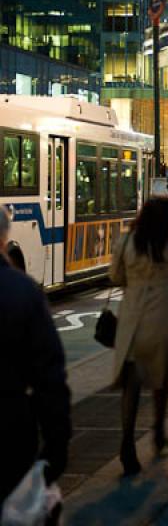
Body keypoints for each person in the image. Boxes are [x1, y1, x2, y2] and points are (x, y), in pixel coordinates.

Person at [110, 197, 168, 475]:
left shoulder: (128, 239)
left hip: (132, 313)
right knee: (161, 377)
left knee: (131, 383)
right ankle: (158, 430)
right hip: (162, 313)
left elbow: (115, 276)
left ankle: (126, 441)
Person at [0, 205, 71, 507]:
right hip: (8, 426)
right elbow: (49, 375)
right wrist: (57, 443)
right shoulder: (21, 291)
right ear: (3, 238)